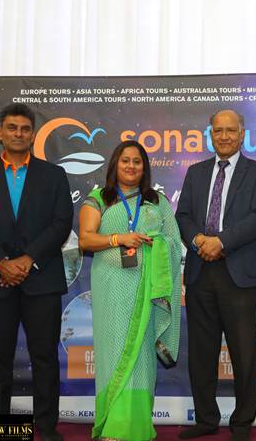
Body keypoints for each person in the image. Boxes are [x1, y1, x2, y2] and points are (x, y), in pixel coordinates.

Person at [0, 103, 73, 441]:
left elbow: (61, 223)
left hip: (42, 279)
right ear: (0, 133)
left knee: (45, 358)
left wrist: (27, 260)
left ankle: (46, 426)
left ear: (33, 135)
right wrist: (2, 263)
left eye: (25, 129)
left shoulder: (54, 176)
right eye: (12, 127)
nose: (18, 134)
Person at [175, 109, 256, 441]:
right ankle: (206, 419)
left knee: (244, 354)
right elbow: (183, 215)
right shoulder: (196, 172)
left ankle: (242, 423)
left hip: (240, 274)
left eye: (231, 130)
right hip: (201, 271)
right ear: (211, 134)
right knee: (201, 353)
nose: (225, 136)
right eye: (218, 130)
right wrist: (198, 240)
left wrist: (221, 242)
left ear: (242, 134)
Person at [78, 140, 181, 441]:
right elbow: (85, 239)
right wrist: (119, 238)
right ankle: (112, 427)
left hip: (148, 291)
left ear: (144, 168)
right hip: (111, 289)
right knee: (113, 353)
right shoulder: (99, 198)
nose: (131, 166)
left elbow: (175, 243)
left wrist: (158, 243)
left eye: (137, 161)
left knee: (143, 358)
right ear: (115, 164)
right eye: (125, 160)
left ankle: (137, 428)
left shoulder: (157, 201)